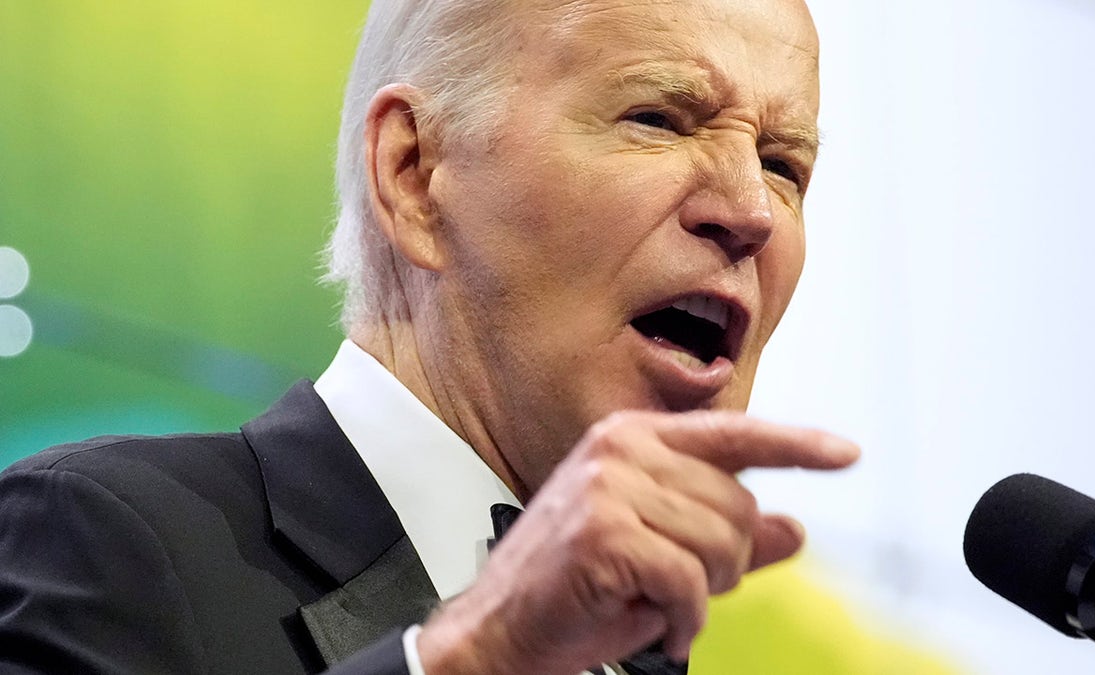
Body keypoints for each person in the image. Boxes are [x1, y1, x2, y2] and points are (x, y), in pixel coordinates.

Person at [0, 0, 859, 673]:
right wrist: (475, 659)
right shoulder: (102, 536)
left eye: (785, 165)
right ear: (413, 173)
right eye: (659, 119)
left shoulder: (647, 644)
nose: (751, 210)